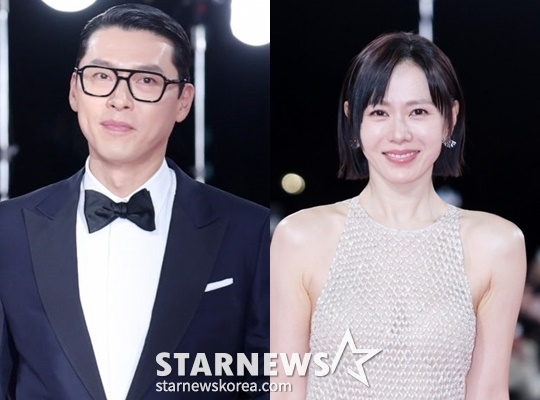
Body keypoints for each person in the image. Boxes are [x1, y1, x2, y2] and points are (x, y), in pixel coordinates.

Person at [0, 4, 269, 400]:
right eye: (101, 76)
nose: (118, 99)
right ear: (75, 90)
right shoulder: (8, 229)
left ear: (183, 101)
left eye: (145, 80)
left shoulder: (250, 231)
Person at [270, 32, 526, 399]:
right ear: (353, 121)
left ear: (450, 119)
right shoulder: (299, 237)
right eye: (379, 112)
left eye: (418, 112)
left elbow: (488, 391)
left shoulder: (497, 244)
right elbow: (285, 387)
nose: (399, 133)